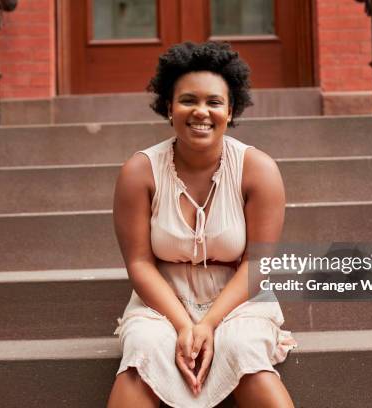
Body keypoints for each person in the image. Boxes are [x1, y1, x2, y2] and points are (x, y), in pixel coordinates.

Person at [107, 41, 296, 408]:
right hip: (163, 298)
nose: (201, 112)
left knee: (242, 348)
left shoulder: (258, 170)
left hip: (239, 298)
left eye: (214, 102)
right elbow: (140, 263)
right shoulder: (139, 171)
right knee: (144, 351)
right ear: (168, 106)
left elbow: (257, 266)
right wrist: (184, 325)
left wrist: (208, 323)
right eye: (188, 100)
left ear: (231, 109)